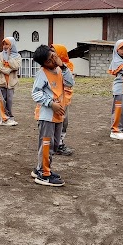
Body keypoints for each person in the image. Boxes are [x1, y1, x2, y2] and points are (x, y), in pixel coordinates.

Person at [31, 45, 73, 187]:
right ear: (44, 63)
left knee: (54, 144)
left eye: (54, 56)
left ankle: (40, 169)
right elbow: (35, 93)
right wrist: (50, 103)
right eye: (50, 60)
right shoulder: (42, 73)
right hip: (47, 115)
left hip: (58, 114)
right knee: (47, 144)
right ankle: (44, 173)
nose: (54, 60)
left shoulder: (61, 70)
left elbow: (70, 83)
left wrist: (64, 67)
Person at [51, 44, 75, 155]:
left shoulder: (67, 67)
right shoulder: (49, 66)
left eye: (53, 51)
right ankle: (53, 144)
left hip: (64, 99)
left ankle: (59, 143)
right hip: (53, 100)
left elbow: (69, 83)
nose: (51, 54)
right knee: (52, 122)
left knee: (63, 122)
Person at [0, 36, 21, 126]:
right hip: (2, 82)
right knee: (2, 101)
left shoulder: (17, 56)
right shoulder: (0, 55)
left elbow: (16, 66)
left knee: (9, 101)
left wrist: (9, 57)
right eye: (4, 44)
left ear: (12, 45)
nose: (5, 46)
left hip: (11, 83)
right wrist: (9, 70)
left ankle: (9, 118)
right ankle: (4, 119)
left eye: (7, 44)